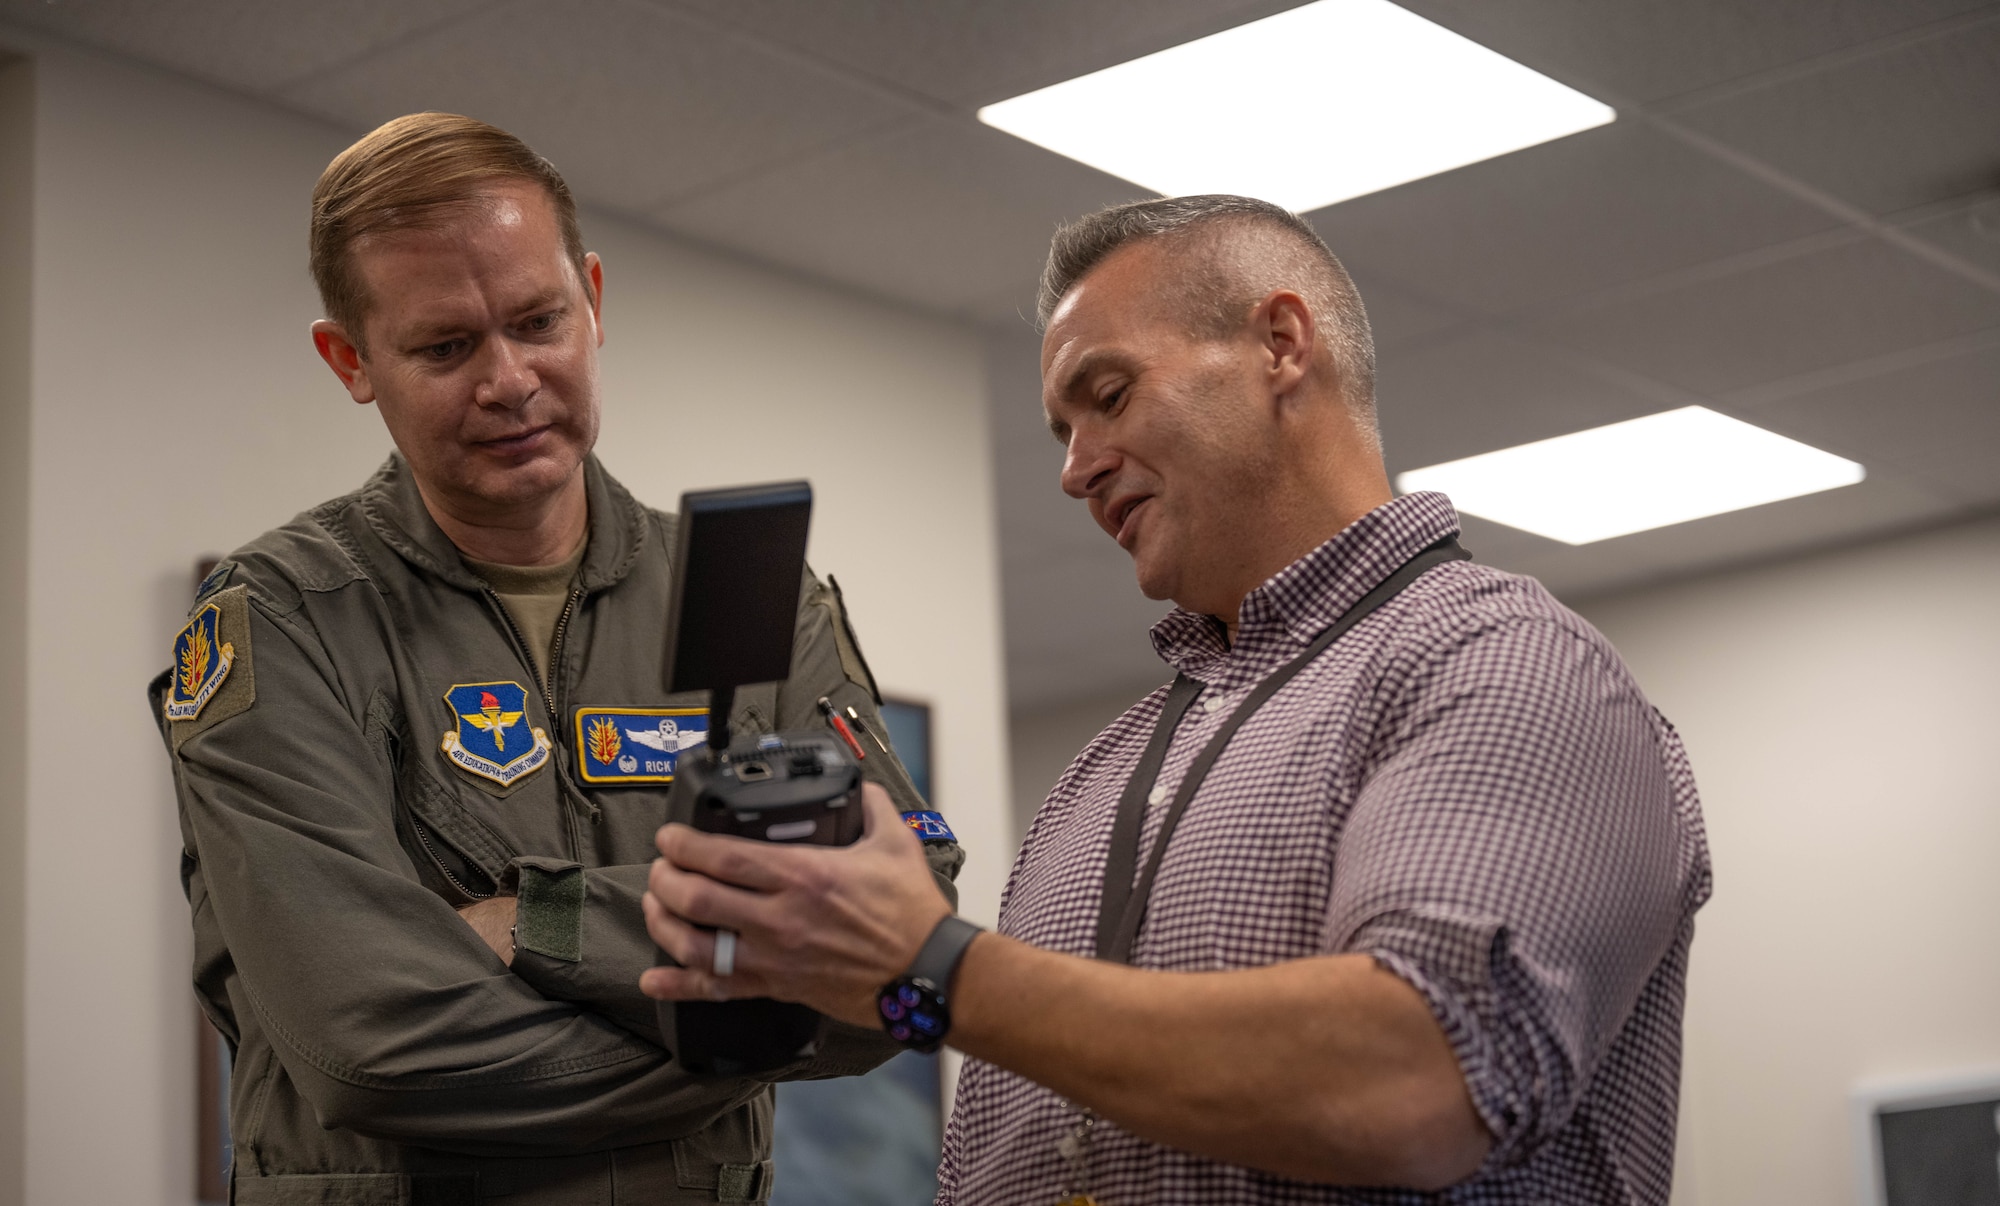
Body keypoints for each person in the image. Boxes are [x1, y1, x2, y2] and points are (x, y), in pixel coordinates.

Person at [640, 195, 1712, 1203]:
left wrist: (929, 962)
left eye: (1108, 397)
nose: (1073, 471)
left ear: (1280, 344)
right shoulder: (1098, 774)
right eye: (1064, 429)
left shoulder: (1501, 663)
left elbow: (1417, 1082)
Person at [149, 112, 961, 1206]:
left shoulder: (759, 601)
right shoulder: (283, 619)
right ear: (351, 361)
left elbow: (907, 936)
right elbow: (374, 1044)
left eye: (538, 322)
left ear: (593, 299)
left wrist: (535, 925)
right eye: (446, 347)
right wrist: (750, 1028)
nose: (509, 379)